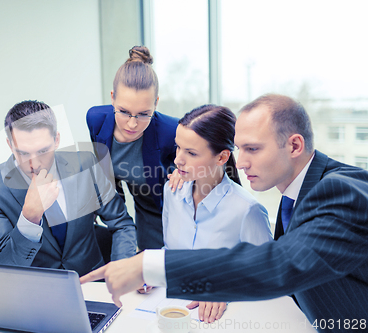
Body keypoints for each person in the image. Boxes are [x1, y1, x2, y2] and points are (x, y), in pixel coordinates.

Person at [81, 94, 368, 329]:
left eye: (253, 149)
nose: (241, 163)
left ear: (294, 145)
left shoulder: (338, 191)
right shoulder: (295, 194)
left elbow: (281, 262)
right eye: (240, 149)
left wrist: (149, 266)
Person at [0, 100, 137, 277]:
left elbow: (122, 224)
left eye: (43, 151)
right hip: (37, 293)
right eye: (23, 153)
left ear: (57, 140)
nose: (34, 164)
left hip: (93, 283)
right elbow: (3, 267)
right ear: (10, 145)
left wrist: (122, 272)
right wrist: (29, 218)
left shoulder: (86, 164)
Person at [162, 104, 272, 323]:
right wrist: (145, 271)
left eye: (191, 153)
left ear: (222, 158)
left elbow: (268, 275)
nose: (178, 160)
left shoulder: (247, 210)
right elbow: (170, 252)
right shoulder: (172, 191)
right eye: (178, 147)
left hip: (223, 321)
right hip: (171, 309)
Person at [87, 46, 179, 252]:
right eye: (124, 112)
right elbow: (107, 173)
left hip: (167, 205)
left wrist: (180, 172)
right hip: (141, 202)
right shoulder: (96, 120)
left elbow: (199, 158)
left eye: (144, 114)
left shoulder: (172, 130)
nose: (131, 124)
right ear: (112, 97)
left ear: (156, 103)